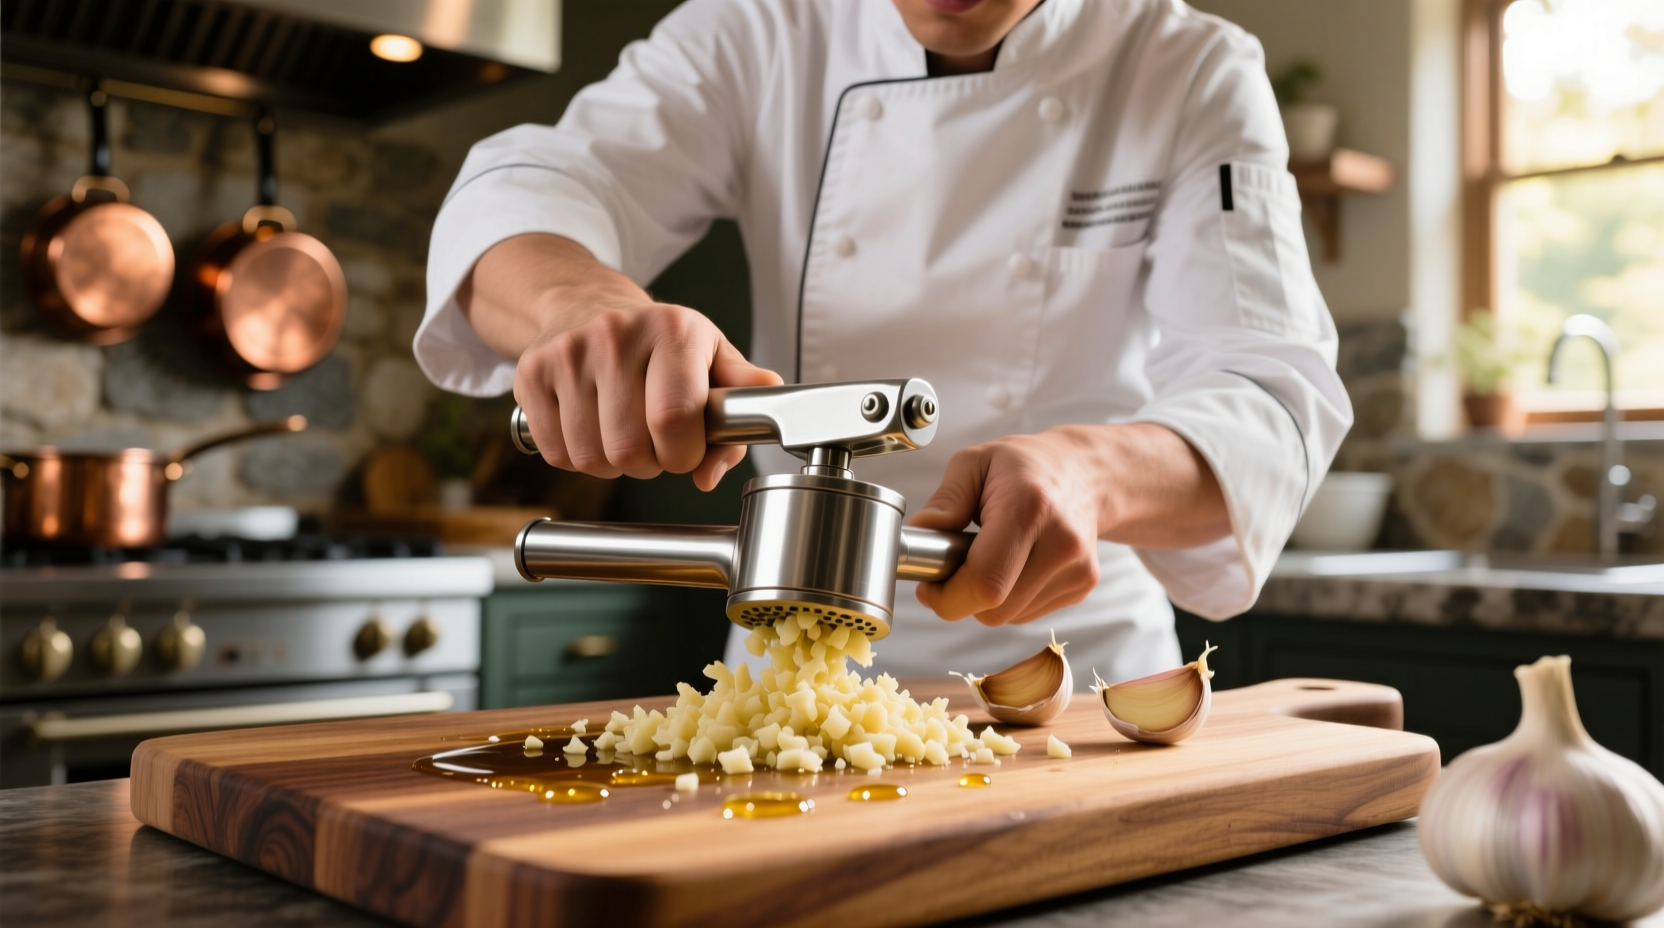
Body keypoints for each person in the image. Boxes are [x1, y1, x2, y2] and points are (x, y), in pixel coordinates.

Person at [415, 0, 1351, 683]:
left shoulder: (1187, 67)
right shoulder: (757, 31)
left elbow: (1269, 399)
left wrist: (1091, 475)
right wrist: (579, 305)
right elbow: (531, 184)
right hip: (790, 662)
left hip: (1070, 669)